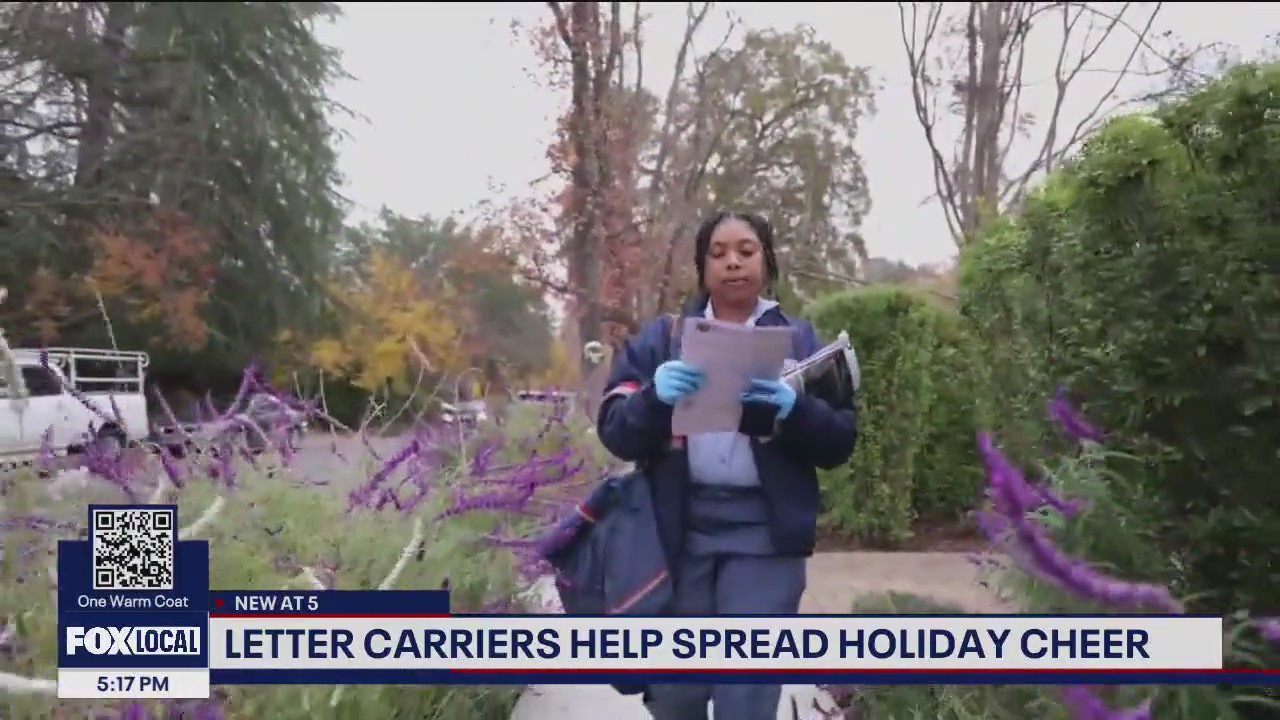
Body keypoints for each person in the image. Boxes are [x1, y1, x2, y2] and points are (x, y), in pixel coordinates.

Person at [595, 211, 859, 720]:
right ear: (701, 268)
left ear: (767, 260)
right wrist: (653, 398)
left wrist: (795, 409)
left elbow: (840, 442)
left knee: (746, 691)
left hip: (765, 537)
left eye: (746, 250)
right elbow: (615, 430)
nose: (733, 262)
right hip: (677, 534)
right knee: (677, 692)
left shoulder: (800, 341)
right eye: (718, 253)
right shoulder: (662, 341)